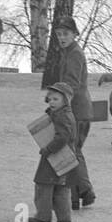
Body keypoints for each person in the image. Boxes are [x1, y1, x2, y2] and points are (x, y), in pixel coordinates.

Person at [42, 17, 95, 208]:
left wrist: (57, 99)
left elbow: (71, 83)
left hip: (77, 110)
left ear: (74, 34)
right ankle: (76, 195)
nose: (62, 37)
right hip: (74, 107)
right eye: (58, 34)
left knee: (73, 152)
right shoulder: (68, 52)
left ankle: (85, 191)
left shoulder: (74, 54)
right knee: (71, 151)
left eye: (66, 34)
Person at [28, 81, 80, 222]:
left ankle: (43, 216)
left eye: (56, 99)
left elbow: (62, 137)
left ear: (66, 100)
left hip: (55, 156)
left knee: (43, 185)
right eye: (50, 99)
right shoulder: (64, 114)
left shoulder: (62, 116)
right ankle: (64, 218)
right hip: (66, 156)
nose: (51, 102)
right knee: (61, 187)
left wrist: (48, 149)